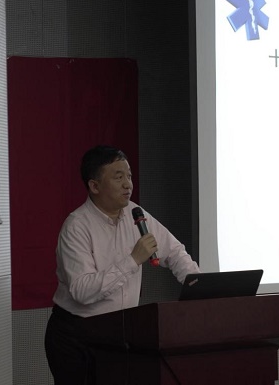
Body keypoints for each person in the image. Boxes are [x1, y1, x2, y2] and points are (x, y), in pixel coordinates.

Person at [44, 145, 200, 385]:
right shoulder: (76, 226)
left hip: (119, 332)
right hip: (77, 336)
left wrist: (197, 285)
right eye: (118, 178)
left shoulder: (136, 213)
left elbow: (175, 252)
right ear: (94, 186)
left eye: (129, 176)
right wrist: (133, 260)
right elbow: (82, 291)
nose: (128, 184)